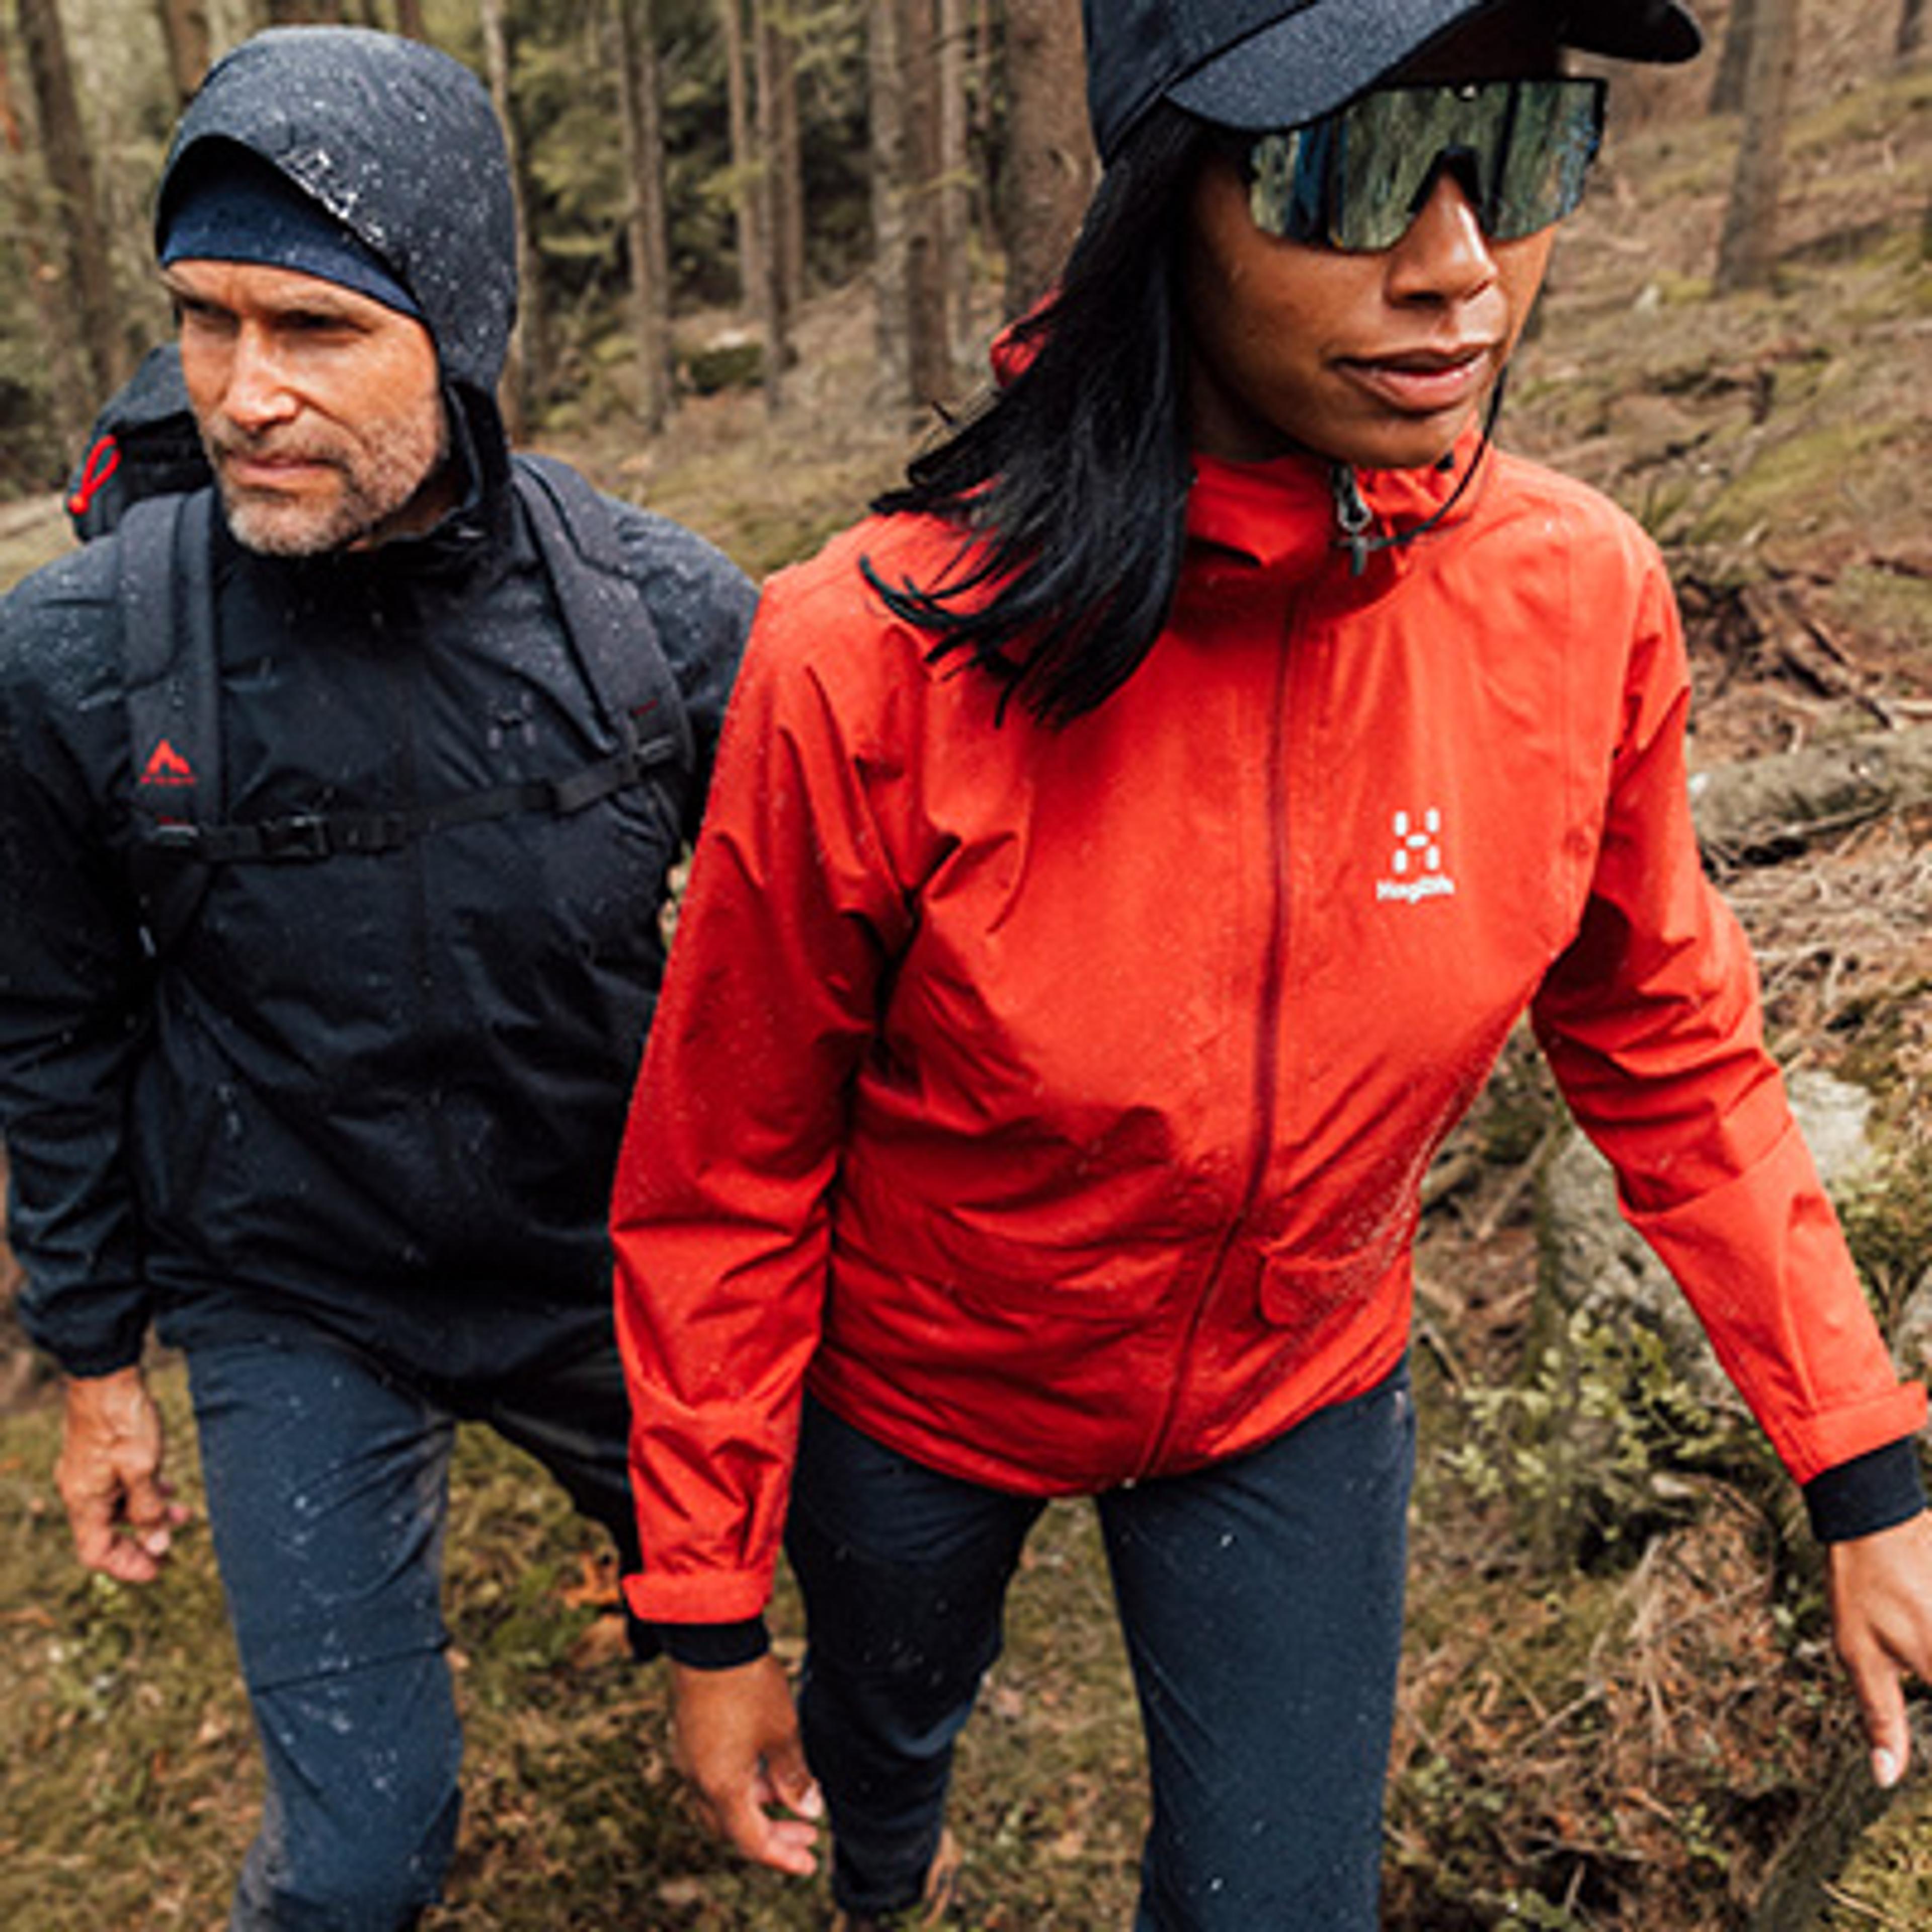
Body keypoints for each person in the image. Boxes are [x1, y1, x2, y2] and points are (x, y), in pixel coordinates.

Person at [612, 1, 1932, 1926]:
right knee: (881, 1741)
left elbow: (1673, 1048)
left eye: (1522, 150)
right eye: (1360, 166)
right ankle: (885, 1871)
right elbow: (725, 1162)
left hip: (1291, 1389)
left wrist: (1864, 1464)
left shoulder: (1577, 604)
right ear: (1168, 200)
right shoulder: (872, 656)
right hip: (925, 1391)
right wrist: (710, 1604)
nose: (1461, 263)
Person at [0, 27, 752, 1930]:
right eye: (206, 319)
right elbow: (54, 1026)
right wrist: (95, 1363)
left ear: (461, 330)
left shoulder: (661, 624)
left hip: (600, 1267)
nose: (245, 392)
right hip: (292, 1291)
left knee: (811, 1607)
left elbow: (838, 979)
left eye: (318, 329)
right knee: (358, 1862)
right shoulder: (76, 661)